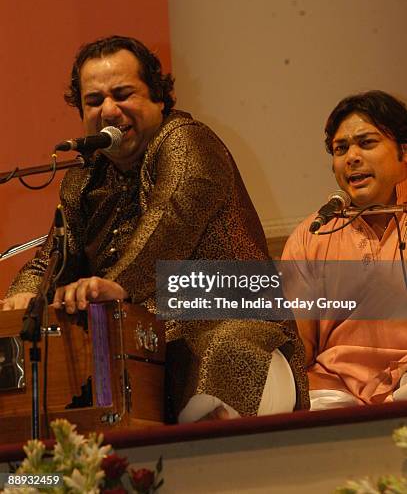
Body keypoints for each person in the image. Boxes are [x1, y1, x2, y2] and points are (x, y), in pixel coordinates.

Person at [2, 35, 309, 420]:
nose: (109, 110)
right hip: (145, 355)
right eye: (94, 101)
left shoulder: (187, 141)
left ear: (159, 99)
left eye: (123, 94)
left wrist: (116, 285)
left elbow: (170, 221)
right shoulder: (83, 178)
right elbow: (53, 257)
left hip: (235, 337)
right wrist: (21, 298)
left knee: (224, 357)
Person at [282, 90, 407, 410]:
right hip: (334, 385)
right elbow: (300, 345)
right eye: (341, 149)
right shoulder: (312, 233)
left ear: (403, 153)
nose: (351, 156)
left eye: (367, 143)